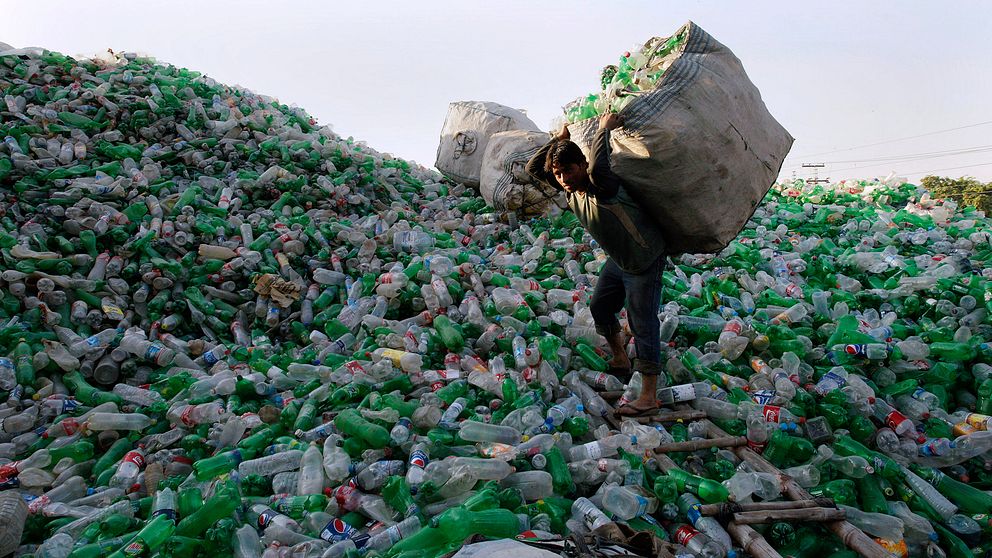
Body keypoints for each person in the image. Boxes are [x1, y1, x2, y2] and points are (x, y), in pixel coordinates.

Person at [527, 113, 670, 416]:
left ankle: (648, 395)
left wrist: (604, 129)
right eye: (558, 173)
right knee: (600, 308)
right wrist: (560, 139)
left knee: (643, 322)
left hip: (644, 258)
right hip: (619, 259)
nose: (563, 178)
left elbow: (599, 160)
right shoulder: (569, 190)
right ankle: (620, 358)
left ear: (581, 166)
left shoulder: (600, 183)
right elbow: (532, 169)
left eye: (568, 170)